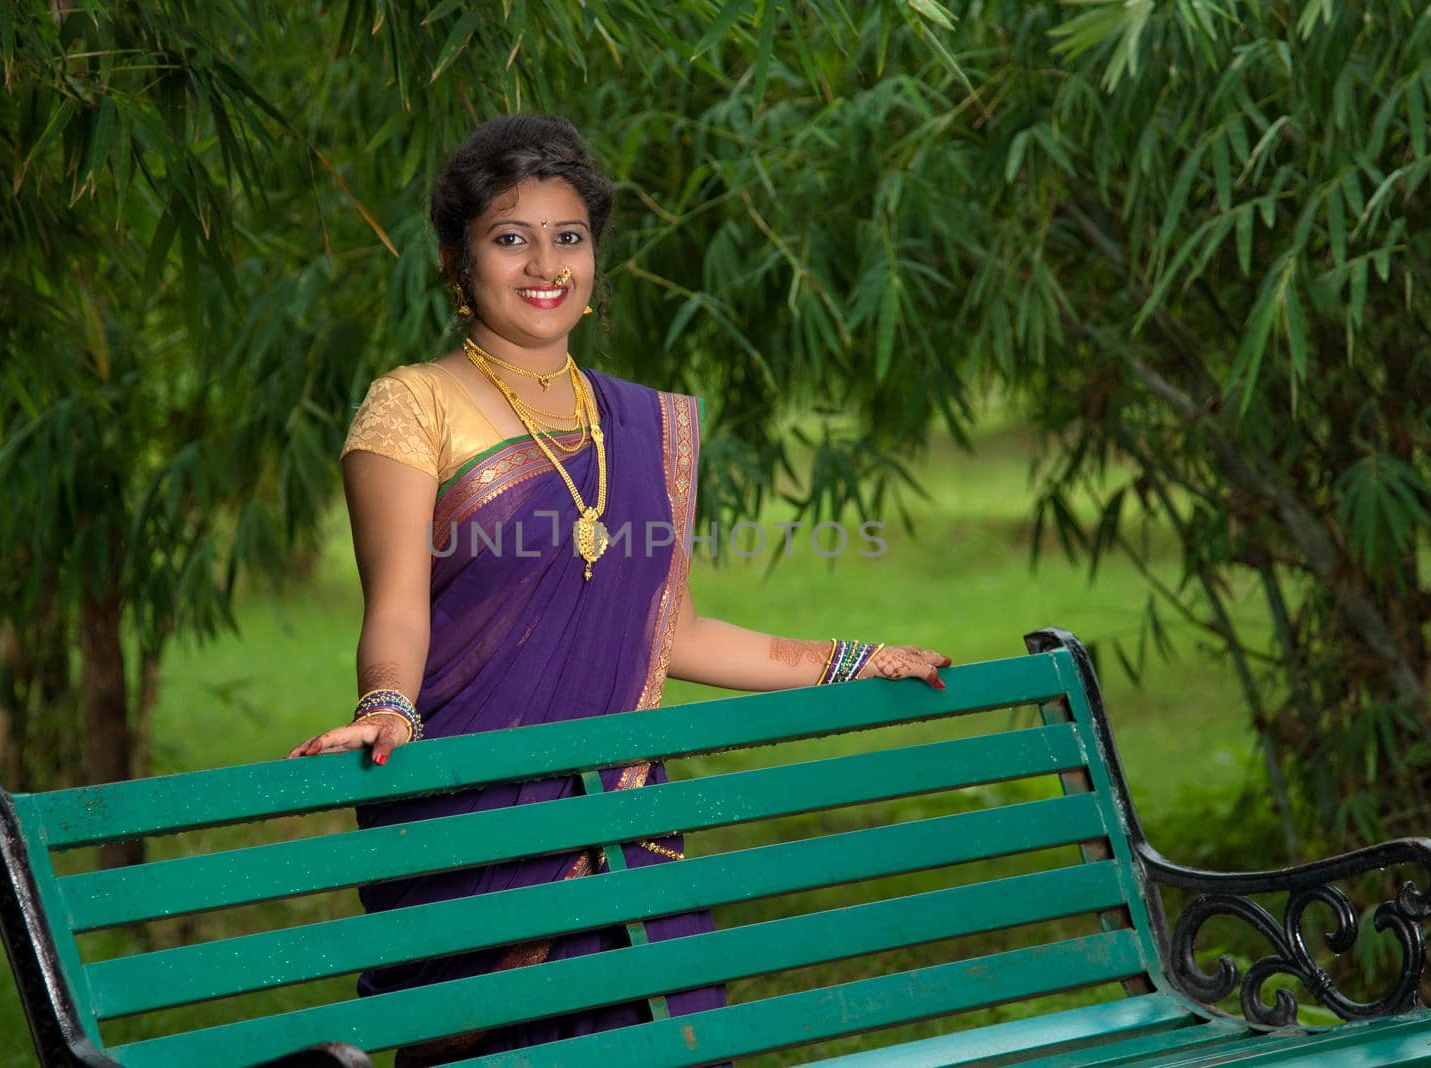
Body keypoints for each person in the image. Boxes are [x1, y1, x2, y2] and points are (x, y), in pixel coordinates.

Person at [286, 113, 950, 1065]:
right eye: (510, 238)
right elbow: (395, 605)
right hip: (479, 807)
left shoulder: (641, 425)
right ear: (455, 260)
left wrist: (851, 660)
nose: (544, 265)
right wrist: (387, 703)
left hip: (624, 813)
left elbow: (668, 632)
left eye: (570, 237)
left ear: (596, 257)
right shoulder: (414, 405)